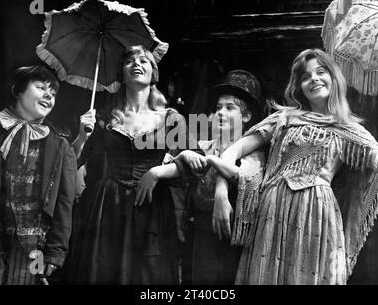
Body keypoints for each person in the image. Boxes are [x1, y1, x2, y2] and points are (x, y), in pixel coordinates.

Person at [212, 49, 378, 285]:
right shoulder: (284, 118)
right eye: (306, 77)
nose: (314, 79)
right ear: (299, 86)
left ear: (334, 77)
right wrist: (221, 193)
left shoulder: (349, 129)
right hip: (273, 210)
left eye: (321, 72)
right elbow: (233, 151)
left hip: (316, 213)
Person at [66, 45, 203, 284]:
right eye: (129, 61)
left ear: (154, 73)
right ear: (122, 73)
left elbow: (196, 162)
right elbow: (74, 161)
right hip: (107, 206)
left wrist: (157, 172)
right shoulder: (106, 116)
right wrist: (81, 136)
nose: (136, 64)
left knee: (146, 276)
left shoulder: (170, 118)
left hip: (151, 206)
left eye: (144, 61)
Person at [136, 70, 266, 284]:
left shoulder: (255, 153)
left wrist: (213, 162)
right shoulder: (205, 147)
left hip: (236, 236)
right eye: (218, 108)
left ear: (246, 116)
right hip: (201, 234)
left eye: (230, 108)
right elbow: (183, 168)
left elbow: (244, 176)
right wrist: (160, 169)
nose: (221, 113)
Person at [0, 65, 76, 285]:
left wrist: (55, 252)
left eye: (52, 93)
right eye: (41, 87)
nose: (48, 95)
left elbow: (64, 204)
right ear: (17, 90)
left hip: (34, 247)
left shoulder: (60, 146)